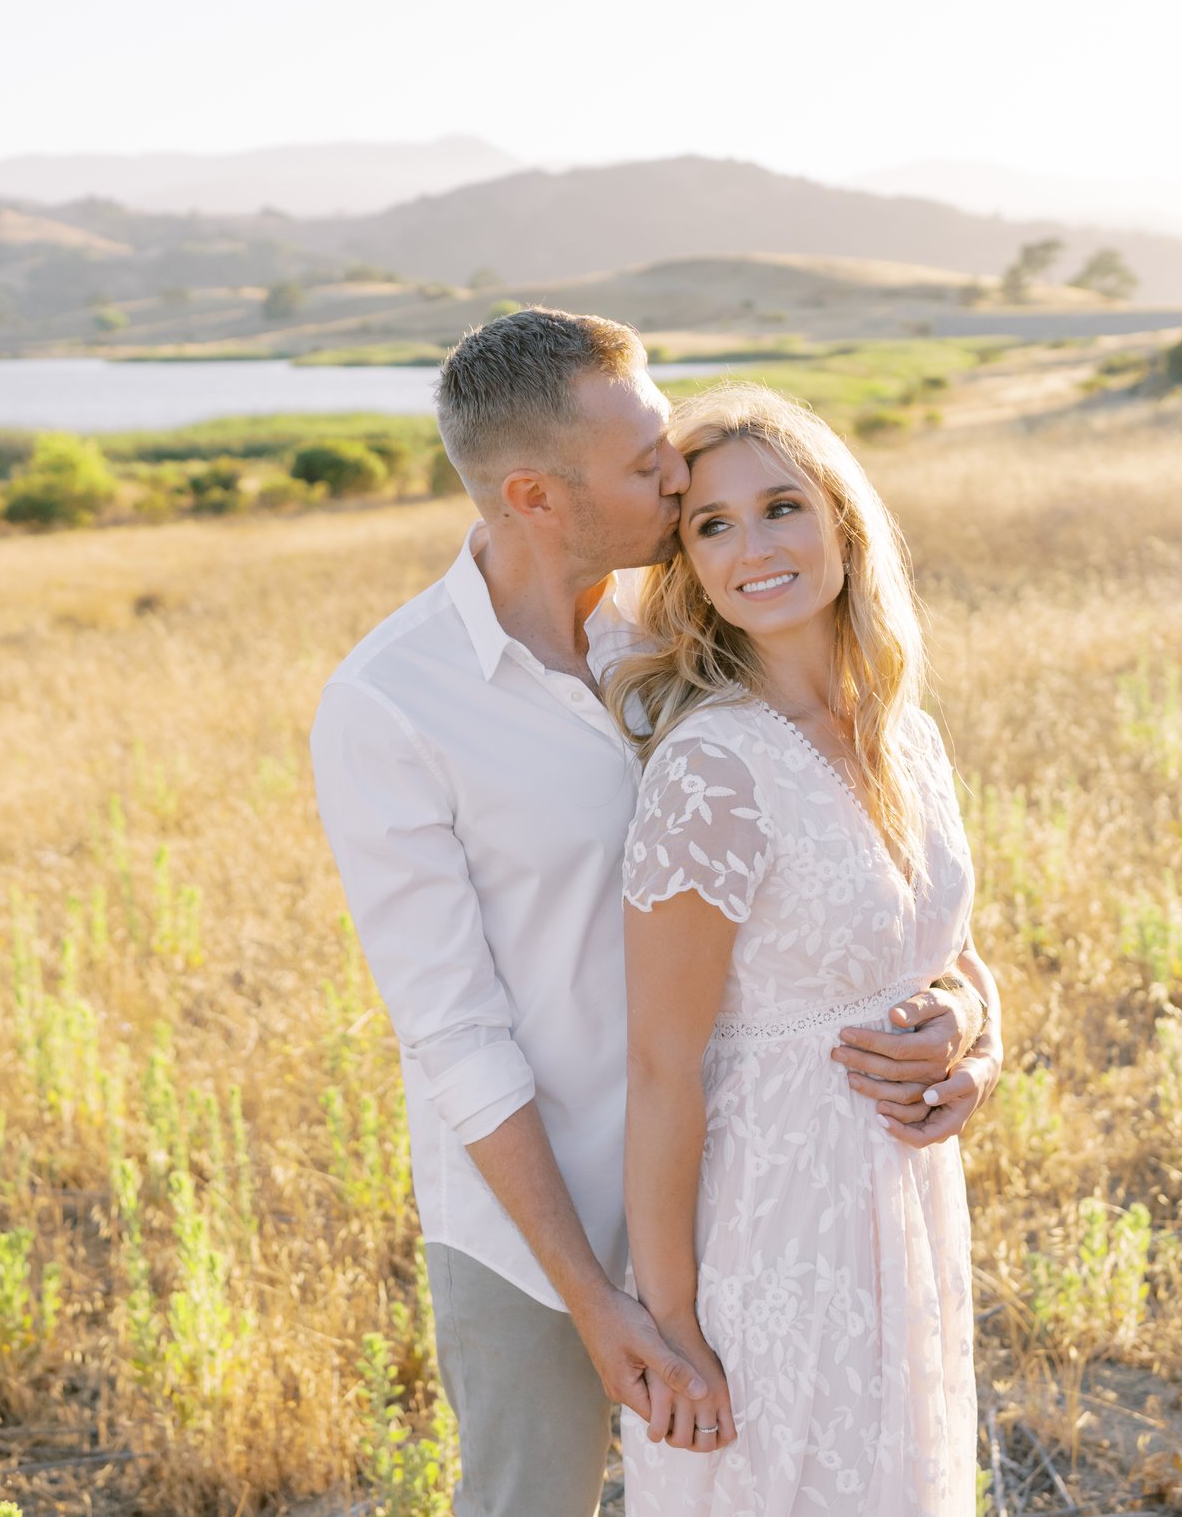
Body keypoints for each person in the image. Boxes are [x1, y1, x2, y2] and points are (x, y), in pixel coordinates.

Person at [308, 309, 1001, 1517]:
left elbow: (855, 877)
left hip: (762, 1185)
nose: (678, 476)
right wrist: (596, 1295)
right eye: (646, 465)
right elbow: (454, 1035)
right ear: (534, 492)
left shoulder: (685, 625)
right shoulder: (393, 704)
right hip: (545, 1219)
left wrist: (969, 1017)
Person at [610, 381, 987, 1515]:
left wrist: (973, 1034)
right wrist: (672, 1324)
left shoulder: (900, 731)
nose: (751, 547)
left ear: (842, 520)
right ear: (687, 566)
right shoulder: (712, 771)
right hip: (767, 1227)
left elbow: (941, 946)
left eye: (779, 506)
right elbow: (661, 1068)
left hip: (901, 1198)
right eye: (710, 525)